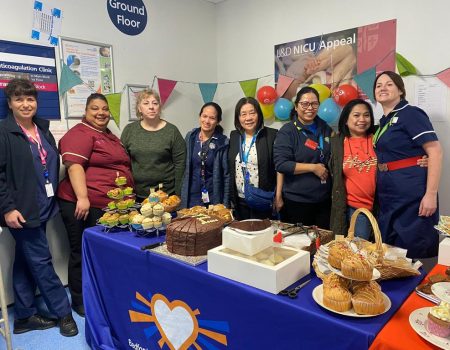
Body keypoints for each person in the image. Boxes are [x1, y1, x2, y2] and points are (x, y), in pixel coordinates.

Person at [0, 78, 77, 337]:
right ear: (9, 103)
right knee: (42, 262)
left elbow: (49, 164)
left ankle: (24, 316)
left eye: (30, 99)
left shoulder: (42, 129)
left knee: (25, 260)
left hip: (43, 204)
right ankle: (63, 312)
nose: (25, 104)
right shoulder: (3, 132)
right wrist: (7, 208)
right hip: (21, 210)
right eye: (19, 99)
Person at [57, 93, 133, 317]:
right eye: (94, 109)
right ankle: (79, 300)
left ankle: (100, 292)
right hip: (82, 205)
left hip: (108, 206)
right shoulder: (79, 133)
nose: (101, 113)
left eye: (105, 109)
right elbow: (74, 166)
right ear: (86, 111)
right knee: (80, 251)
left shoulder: (108, 135)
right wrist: (83, 197)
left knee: (101, 253)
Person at [372, 71, 442, 259]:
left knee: (414, 244)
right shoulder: (383, 122)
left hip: (410, 191)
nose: (383, 88)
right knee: (392, 249)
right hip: (388, 192)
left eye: (389, 84)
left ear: (400, 90)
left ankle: (418, 287)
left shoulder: (410, 114)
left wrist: (431, 195)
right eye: (378, 86)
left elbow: (435, 151)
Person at [274, 86, 333, 228]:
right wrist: (313, 168)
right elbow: (281, 164)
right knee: (299, 245)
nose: (310, 108)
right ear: (296, 106)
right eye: (305, 104)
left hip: (323, 200)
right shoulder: (288, 131)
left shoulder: (325, 128)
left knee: (321, 244)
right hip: (297, 201)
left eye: (314, 104)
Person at [121, 89, 186, 201]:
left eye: (155, 103)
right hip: (137, 195)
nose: (151, 107)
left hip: (166, 196)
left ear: (159, 107)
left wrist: (178, 193)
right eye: (146, 103)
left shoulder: (172, 131)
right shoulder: (129, 130)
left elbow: (180, 164)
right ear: (139, 108)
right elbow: (122, 161)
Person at [329, 99, 377, 239]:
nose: (362, 119)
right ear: (346, 119)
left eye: (366, 115)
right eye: (356, 115)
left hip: (380, 207)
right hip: (353, 208)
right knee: (358, 253)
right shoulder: (337, 143)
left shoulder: (378, 138)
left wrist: (422, 159)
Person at [228, 97, 278, 220]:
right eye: (243, 114)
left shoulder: (271, 135)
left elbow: (279, 169)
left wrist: (278, 196)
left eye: (252, 113)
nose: (248, 118)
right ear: (238, 118)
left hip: (262, 199)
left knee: (261, 236)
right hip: (239, 201)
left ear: (259, 114)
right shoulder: (234, 136)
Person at [181, 102, 229, 208]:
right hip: (191, 197)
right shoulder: (190, 137)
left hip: (213, 197)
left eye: (212, 118)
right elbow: (183, 167)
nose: (207, 121)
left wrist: (225, 204)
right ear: (200, 116)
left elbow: (226, 176)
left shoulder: (223, 142)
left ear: (218, 121)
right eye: (204, 116)